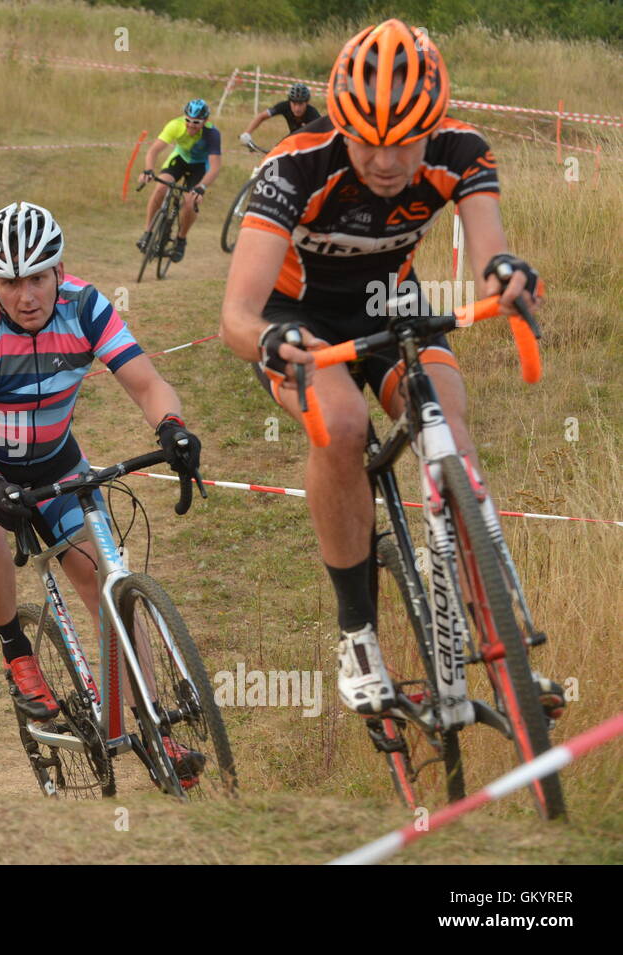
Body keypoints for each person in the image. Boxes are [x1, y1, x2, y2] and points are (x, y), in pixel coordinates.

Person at [218, 18, 564, 719]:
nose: (383, 159)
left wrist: (506, 277)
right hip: (297, 317)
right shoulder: (294, 167)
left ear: (432, 127)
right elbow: (237, 314)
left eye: (403, 140)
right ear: (339, 122)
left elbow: (488, 249)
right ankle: (358, 638)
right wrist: (269, 341)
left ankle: (493, 623)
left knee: (444, 418)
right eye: (367, 140)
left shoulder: (462, 152)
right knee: (341, 426)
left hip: (391, 303)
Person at [0, 201, 206, 783]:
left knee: (105, 582)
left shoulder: (86, 308)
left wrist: (173, 429)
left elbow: (147, 382)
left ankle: (155, 728)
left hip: (56, 460)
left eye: (37, 276)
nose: (26, 294)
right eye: (9, 281)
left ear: (60, 271)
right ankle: (16, 651)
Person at [136, 98, 223, 264]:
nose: (191, 125)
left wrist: (201, 187)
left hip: (199, 167)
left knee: (190, 202)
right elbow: (153, 150)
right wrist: (148, 169)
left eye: (196, 122)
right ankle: (147, 232)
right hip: (180, 160)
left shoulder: (212, 134)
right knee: (161, 187)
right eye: (188, 120)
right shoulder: (175, 125)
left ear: (205, 121)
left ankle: (181, 239)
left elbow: (215, 167)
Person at [239, 82, 322, 151]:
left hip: (308, 143)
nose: (297, 108)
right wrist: (247, 133)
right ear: (289, 102)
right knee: (276, 152)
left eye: (300, 104)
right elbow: (262, 116)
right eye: (294, 104)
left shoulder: (313, 114)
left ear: (307, 103)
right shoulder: (284, 106)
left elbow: (322, 134)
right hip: (292, 138)